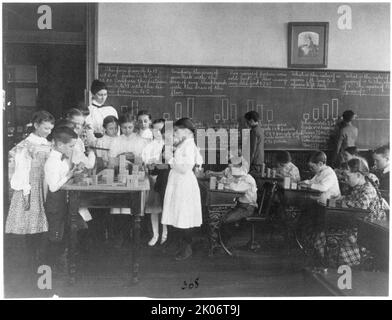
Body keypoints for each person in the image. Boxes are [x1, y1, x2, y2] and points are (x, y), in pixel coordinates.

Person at [314, 158, 389, 267]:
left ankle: (334, 267)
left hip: (366, 233)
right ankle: (328, 265)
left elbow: (359, 210)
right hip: (358, 226)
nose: (345, 179)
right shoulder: (358, 187)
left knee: (327, 237)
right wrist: (339, 200)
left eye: (347, 176)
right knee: (322, 234)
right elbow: (350, 202)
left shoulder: (367, 189)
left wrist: (340, 201)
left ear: (358, 175)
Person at [6, 111, 55, 274]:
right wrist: (25, 189)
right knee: (31, 221)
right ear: (36, 125)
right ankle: (31, 261)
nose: (49, 131)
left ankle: (40, 258)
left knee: (44, 220)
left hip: (45, 182)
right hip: (31, 184)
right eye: (46, 128)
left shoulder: (47, 143)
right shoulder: (26, 144)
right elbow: (19, 167)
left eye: (50, 129)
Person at [161, 118, 203, 261]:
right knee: (179, 214)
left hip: (184, 184)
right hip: (178, 182)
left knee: (184, 215)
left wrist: (170, 159)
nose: (175, 133)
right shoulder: (185, 144)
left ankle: (187, 248)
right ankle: (181, 246)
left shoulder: (189, 146)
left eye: (177, 130)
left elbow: (185, 168)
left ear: (187, 130)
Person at [108, 112, 149, 247]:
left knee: (132, 206)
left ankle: (132, 236)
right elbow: (111, 161)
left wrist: (132, 159)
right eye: (124, 127)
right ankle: (119, 236)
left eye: (130, 127)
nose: (127, 130)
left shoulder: (141, 141)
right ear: (120, 126)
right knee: (117, 206)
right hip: (119, 174)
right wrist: (122, 158)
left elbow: (143, 161)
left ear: (135, 126)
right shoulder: (116, 140)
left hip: (135, 176)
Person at [44, 126, 80, 271]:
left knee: (61, 234)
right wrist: (69, 176)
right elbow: (53, 187)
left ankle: (58, 267)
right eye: (71, 146)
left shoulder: (60, 159)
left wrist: (71, 172)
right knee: (55, 236)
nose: (72, 149)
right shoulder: (52, 161)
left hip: (61, 203)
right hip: (55, 204)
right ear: (60, 145)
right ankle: (50, 271)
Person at [207, 155, 258, 256]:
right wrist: (224, 180)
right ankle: (220, 243)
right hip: (238, 205)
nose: (231, 172)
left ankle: (223, 244)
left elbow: (235, 189)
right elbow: (227, 178)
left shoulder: (248, 179)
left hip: (247, 208)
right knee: (219, 216)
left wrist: (224, 181)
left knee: (223, 219)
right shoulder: (236, 175)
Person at [142, 121, 167, 246]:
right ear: (151, 130)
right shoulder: (149, 146)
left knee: (166, 209)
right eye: (155, 130)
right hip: (152, 178)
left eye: (161, 130)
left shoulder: (169, 145)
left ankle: (165, 235)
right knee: (154, 208)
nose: (159, 133)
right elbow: (145, 161)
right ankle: (155, 234)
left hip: (165, 179)